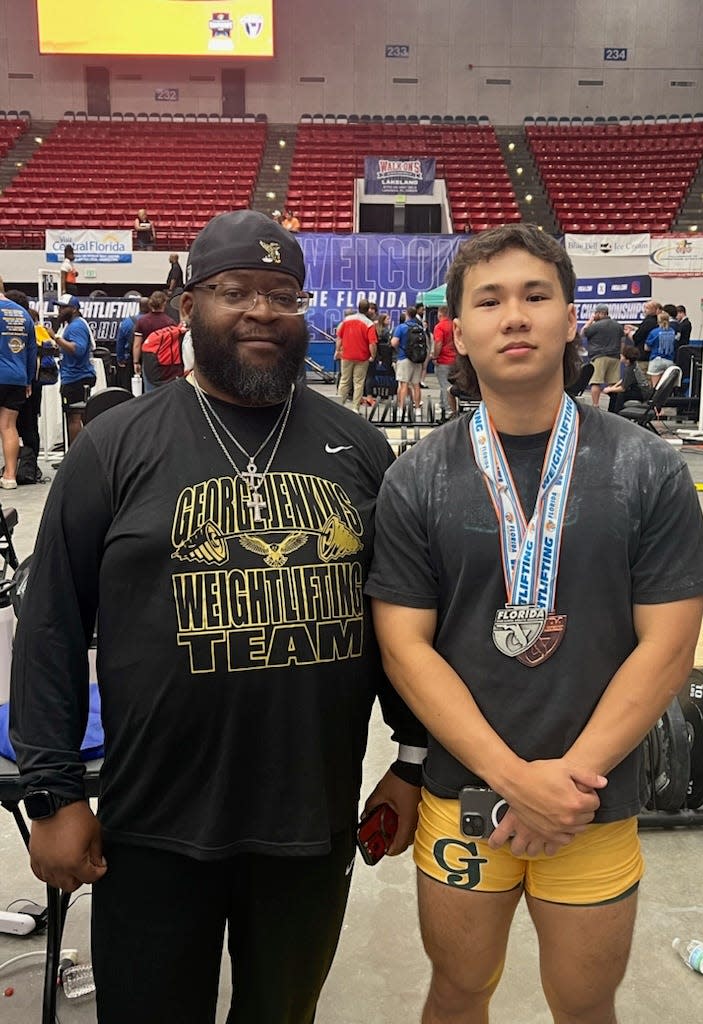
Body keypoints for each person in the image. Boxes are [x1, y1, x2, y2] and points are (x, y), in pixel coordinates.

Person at [10, 209, 425, 1024]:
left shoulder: (358, 446)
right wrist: (53, 796)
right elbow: (51, 622)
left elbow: (400, 623)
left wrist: (411, 764)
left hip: (310, 821)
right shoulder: (117, 444)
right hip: (155, 822)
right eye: (235, 289)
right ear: (188, 303)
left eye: (283, 292)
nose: (261, 310)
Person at [365, 223, 703, 1024]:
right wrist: (515, 780)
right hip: (464, 800)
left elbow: (669, 649)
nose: (515, 316)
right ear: (456, 331)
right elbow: (404, 648)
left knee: (586, 1003)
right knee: (457, 991)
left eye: (536, 295)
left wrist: (564, 784)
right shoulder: (416, 476)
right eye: (489, 300)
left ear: (570, 319)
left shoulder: (647, 467)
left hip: (591, 804)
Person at [0, 278, 36, 487]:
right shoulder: (24, 314)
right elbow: (32, 352)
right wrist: (28, 380)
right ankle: (10, 476)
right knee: (8, 426)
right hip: (17, 377)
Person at [52, 295, 96, 444]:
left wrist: (56, 338)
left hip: (76, 377)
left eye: (63, 307)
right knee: (76, 416)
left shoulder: (76, 326)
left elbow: (77, 349)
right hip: (75, 376)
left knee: (74, 417)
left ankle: (75, 456)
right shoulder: (73, 324)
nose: (59, 310)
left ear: (74, 309)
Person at [335, 299, 377, 412]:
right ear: (368, 309)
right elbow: (372, 343)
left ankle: (339, 406)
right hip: (362, 357)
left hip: (346, 355)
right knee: (358, 382)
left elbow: (339, 337)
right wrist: (373, 355)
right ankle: (355, 408)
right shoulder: (369, 324)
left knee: (344, 380)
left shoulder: (346, 320)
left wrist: (337, 350)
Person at [581, 303, 623, 408]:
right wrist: (620, 353)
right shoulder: (617, 325)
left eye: (595, 313)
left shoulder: (596, 325)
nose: (594, 315)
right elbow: (622, 341)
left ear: (600, 313)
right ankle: (613, 407)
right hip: (615, 356)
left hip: (599, 356)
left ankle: (595, 405)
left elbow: (582, 333)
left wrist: (590, 321)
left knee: (595, 382)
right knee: (613, 383)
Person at [133, 290, 175, 392]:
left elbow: (137, 345)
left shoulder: (142, 321)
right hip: (165, 362)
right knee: (165, 392)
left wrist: (136, 362)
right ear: (164, 303)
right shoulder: (170, 322)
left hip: (148, 361)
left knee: (150, 393)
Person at [392, 305, 425, 416]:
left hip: (404, 358)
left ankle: (401, 409)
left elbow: (394, 343)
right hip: (417, 359)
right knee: (416, 385)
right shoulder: (419, 327)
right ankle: (417, 409)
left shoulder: (401, 327)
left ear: (406, 314)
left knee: (404, 385)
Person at [604, 344, 652, 414]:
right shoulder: (632, 365)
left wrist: (609, 389)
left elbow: (623, 388)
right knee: (614, 392)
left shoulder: (630, 369)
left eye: (622, 355)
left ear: (627, 359)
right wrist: (613, 387)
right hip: (638, 390)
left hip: (641, 393)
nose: (620, 355)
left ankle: (617, 413)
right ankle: (611, 412)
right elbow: (624, 380)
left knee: (620, 394)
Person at [115, 296, 149, 390]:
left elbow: (120, 342)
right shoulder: (153, 322)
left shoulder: (127, 322)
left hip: (131, 361)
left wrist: (120, 358)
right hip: (150, 360)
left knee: (130, 388)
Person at [432, 304, 457, 417]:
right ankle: (443, 404)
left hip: (443, 360)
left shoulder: (439, 327)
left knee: (444, 385)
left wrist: (435, 356)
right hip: (455, 359)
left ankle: (449, 409)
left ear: (440, 314)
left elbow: (438, 343)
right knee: (451, 384)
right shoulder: (454, 325)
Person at [643, 309, 677, 387]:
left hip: (656, 360)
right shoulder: (672, 332)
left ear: (658, 321)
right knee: (667, 386)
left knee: (656, 387)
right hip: (669, 361)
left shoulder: (654, 332)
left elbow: (646, 348)